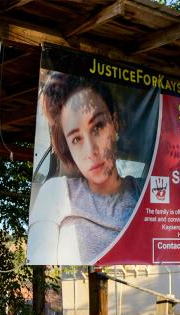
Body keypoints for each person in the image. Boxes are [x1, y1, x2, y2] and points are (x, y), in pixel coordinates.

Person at [27, 73, 142, 265]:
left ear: (114, 124)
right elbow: (41, 264)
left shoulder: (143, 191)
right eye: (76, 139)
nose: (91, 151)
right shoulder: (58, 193)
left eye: (97, 126)